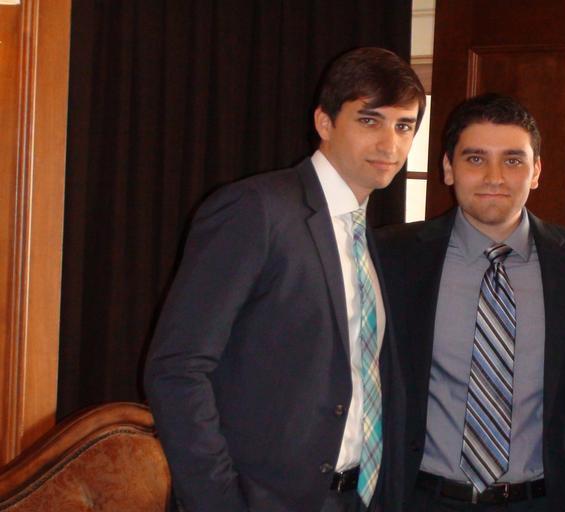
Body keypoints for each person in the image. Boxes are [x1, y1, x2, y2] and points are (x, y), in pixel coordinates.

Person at [144, 47, 425, 512]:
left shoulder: (366, 235)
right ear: (324, 123)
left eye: (404, 126)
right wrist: (220, 503)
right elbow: (177, 368)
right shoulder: (257, 210)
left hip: (358, 497)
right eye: (369, 121)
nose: (389, 145)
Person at [376, 93, 565, 511]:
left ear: (535, 171)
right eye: (475, 159)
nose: (494, 177)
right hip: (421, 499)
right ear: (448, 168)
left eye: (513, 160)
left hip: (537, 502)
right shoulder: (392, 256)